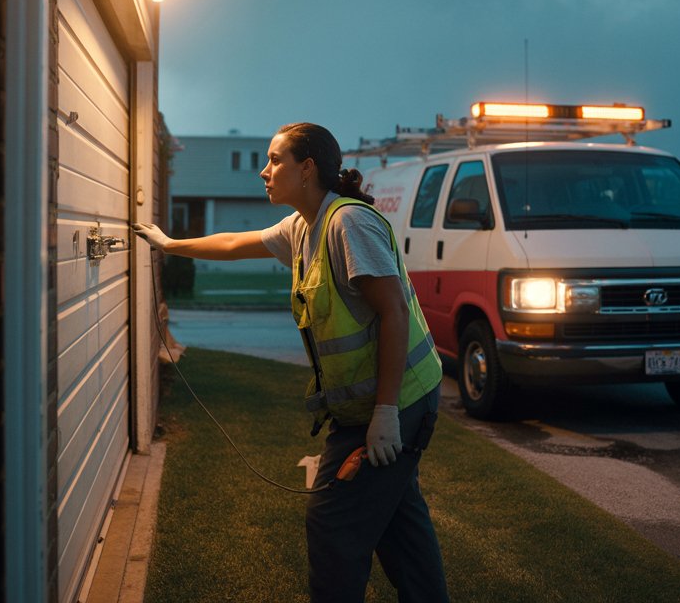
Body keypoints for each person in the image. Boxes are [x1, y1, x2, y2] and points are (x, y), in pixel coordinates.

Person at [133, 122, 449, 603]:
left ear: (307, 169)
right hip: (373, 404)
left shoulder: (349, 223)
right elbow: (238, 243)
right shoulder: (303, 225)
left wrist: (386, 414)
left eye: (275, 160)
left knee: (335, 523)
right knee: (398, 527)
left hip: (398, 400)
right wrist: (170, 244)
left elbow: (394, 312)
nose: (264, 170)